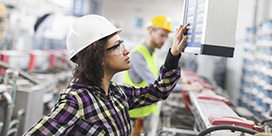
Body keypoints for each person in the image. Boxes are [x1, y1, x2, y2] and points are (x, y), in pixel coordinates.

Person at [24, 14, 188, 136]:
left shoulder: (117, 93)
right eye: (117, 46)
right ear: (98, 56)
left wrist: (173, 55)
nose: (126, 50)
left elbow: (158, 91)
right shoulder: (76, 101)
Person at [123, 15, 203, 134]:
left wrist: (183, 82)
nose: (164, 40)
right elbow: (157, 84)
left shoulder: (152, 54)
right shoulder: (138, 54)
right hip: (133, 116)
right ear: (151, 31)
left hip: (145, 113)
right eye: (162, 35)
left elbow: (158, 77)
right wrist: (187, 87)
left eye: (166, 36)